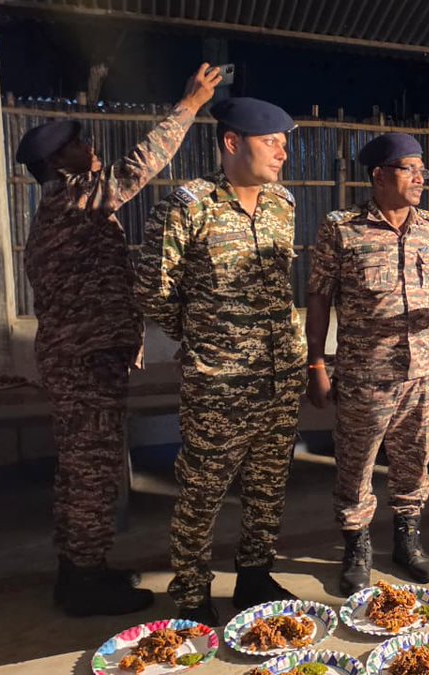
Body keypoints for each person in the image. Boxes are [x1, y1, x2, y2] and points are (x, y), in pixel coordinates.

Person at [19, 63, 220, 617]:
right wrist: (189, 105)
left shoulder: (64, 209)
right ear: (58, 162)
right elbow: (139, 168)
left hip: (83, 359)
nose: (91, 147)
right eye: (80, 143)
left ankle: (78, 569)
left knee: (81, 470)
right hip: (85, 363)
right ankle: (83, 584)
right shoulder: (72, 202)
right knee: (93, 473)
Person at [135, 97, 306, 624]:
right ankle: (191, 591)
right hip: (220, 381)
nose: (281, 153)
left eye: (283, 142)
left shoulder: (283, 204)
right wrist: (204, 335)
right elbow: (152, 289)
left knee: (268, 484)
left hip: (280, 374)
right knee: (203, 490)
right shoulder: (188, 205)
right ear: (233, 143)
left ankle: (255, 575)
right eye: (270, 142)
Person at [305, 133, 429, 595]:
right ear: (378, 174)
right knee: (356, 463)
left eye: (422, 171)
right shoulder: (341, 228)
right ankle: (356, 546)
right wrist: (316, 363)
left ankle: (407, 542)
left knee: (415, 460)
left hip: (421, 370)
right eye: (409, 168)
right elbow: (318, 297)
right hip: (364, 374)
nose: (420, 179)